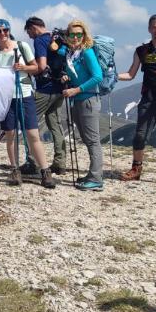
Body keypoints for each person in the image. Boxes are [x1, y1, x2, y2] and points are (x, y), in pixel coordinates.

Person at [0, 18, 57, 189]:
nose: (2, 34)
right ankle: (15, 169)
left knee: (33, 134)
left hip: (24, 94)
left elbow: (37, 67)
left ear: (9, 31)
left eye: (5, 30)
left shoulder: (22, 47)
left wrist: (22, 68)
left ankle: (45, 171)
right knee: (10, 135)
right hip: (6, 98)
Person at [118, 14, 156, 185]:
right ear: (149, 29)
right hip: (148, 98)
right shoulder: (142, 51)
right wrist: (113, 77)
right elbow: (131, 74)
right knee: (139, 135)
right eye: (154, 27)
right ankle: (136, 169)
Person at [20, 16, 67, 176]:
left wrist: (23, 68)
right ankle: (60, 163)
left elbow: (40, 66)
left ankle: (32, 162)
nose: (29, 35)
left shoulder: (39, 40)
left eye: (29, 32)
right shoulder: (56, 38)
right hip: (60, 88)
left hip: (45, 89)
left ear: (33, 27)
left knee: (30, 123)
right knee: (55, 123)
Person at [61, 19, 104, 191]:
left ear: (84, 35)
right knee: (87, 139)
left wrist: (76, 90)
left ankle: (96, 179)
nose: (77, 37)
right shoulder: (72, 54)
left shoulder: (87, 52)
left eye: (80, 34)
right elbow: (80, 75)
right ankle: (93, 174)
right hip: (79, 100)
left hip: (88, 100)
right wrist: (68, 78)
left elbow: (97, 77)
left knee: (93, 140)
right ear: (68, 35)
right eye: (73, 34)